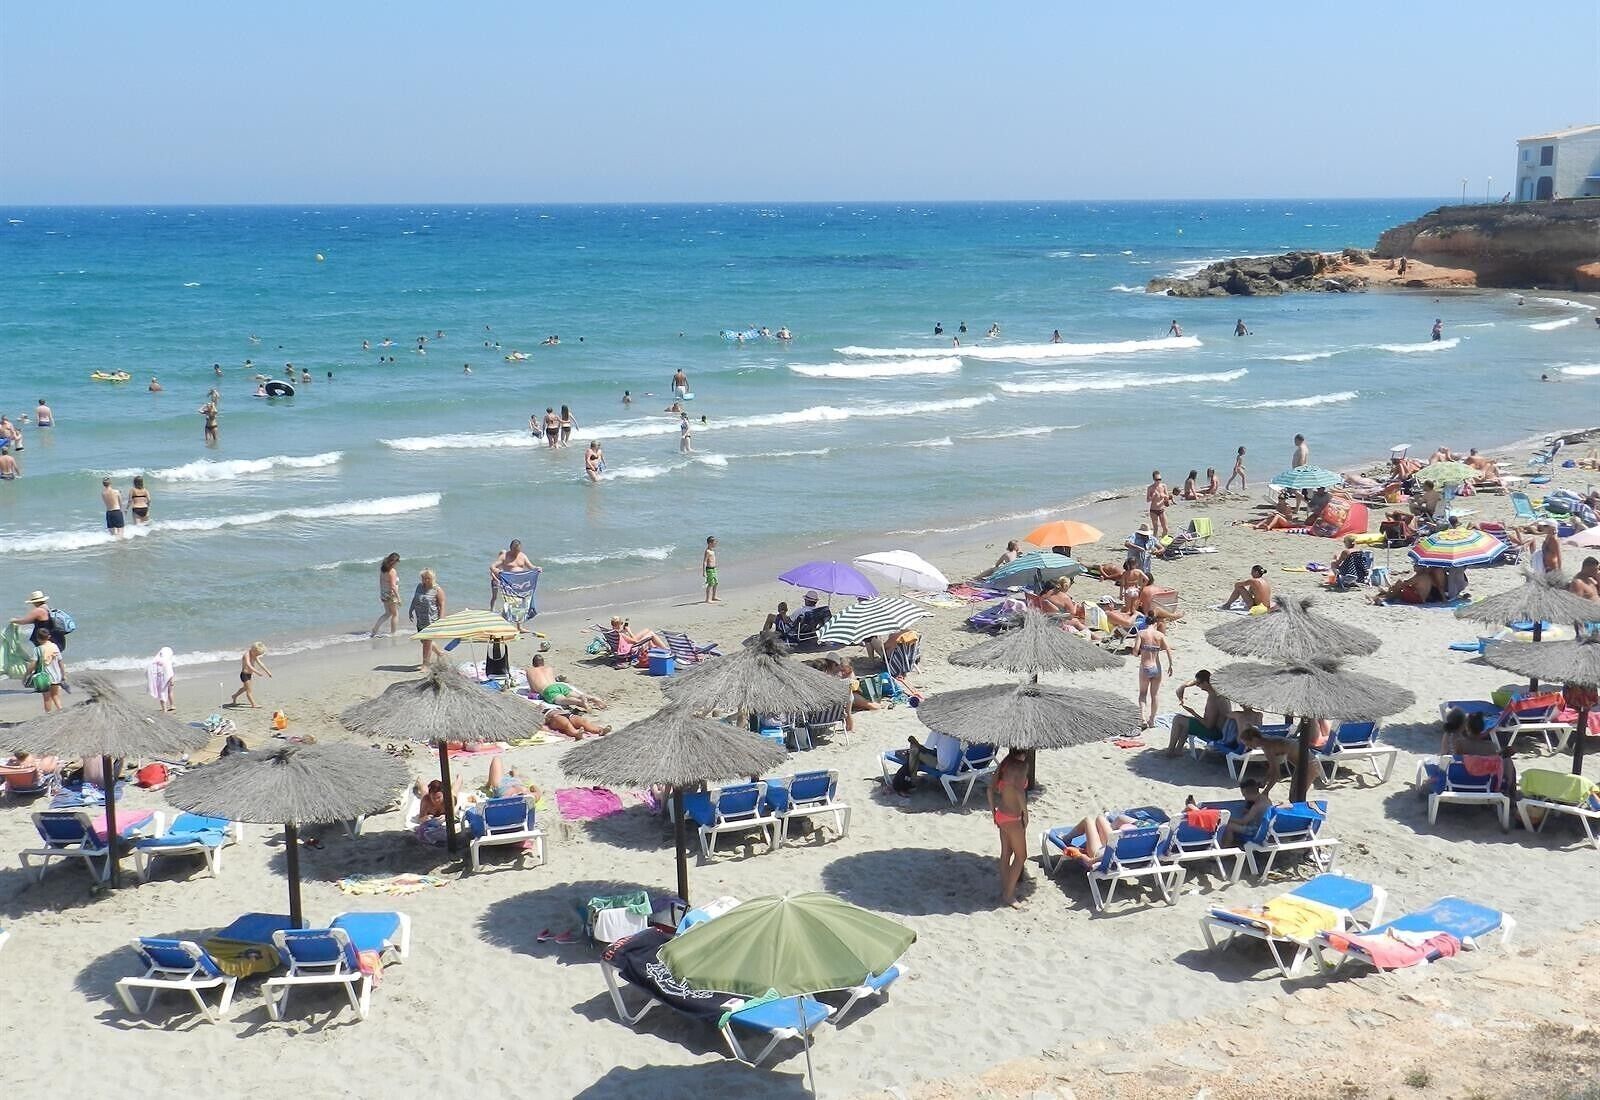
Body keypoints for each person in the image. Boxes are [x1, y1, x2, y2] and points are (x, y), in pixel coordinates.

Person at [988, 749, 1030, 907]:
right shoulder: (1022, 767)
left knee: (1006, 853)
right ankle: (1008, 895)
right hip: (1013, 818)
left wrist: (993, 811)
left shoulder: (1004, 764)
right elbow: (1019, 792)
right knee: (1021, 856)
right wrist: (1025, 814)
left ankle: (1006, 887)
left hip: (1001, 814)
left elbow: (989, 789)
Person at [1166, 669, 1230, 756]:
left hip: (1215, 733)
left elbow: (1209, 725)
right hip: (1222, 730)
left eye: (1199, 684)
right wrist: (1184, 686)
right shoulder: (1218, 690)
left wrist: (1193, 712)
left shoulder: (1214, 699)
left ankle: (1170, 750)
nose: (1198, 686)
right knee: (1185, 721)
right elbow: (1196, 681)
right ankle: (1178, 750)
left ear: (1206, 683)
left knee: (1178, 719)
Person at [528, 653, 607, 710]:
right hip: (560, 685)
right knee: (578, 695)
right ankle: (594, 698)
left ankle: (579, 702)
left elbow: (533, 690)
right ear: (543, 663)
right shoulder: (549, 668)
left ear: (533, 664)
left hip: (549, 690)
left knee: (562, 700)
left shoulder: (529, 671)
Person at [1135, 620, 1173, 729]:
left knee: (1143, 693)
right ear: (1155, 624)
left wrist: (1139, 651)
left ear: (1145, 623)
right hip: (1156, 668)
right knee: (1155, 695)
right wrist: (1171, 664)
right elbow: (1168, 649)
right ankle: (1151, 720)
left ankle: (1142, 718)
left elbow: (1135, 651)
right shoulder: (1160, 635)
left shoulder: (1141, 633)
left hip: (1145, 667)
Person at [410, 569, 445, 664]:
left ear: (432, 578)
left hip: (431, 619)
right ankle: (440, 653)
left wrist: (441, 619)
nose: (425, 580)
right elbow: (415, 599)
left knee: (426, 642)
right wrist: (411, 610)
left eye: (427, 578)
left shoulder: (437, 589)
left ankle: (425, 664)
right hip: (420, 618)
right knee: (423, 640)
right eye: (423, 578)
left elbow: (442, 604)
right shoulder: (419, 586)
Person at [489, 540, 534, 611]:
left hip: (519, 581)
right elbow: (492, 567)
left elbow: (531, 566)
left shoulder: (523, 556)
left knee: (523, 595)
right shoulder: (504, 557)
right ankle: (493, 609)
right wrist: (496, 572)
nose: (516, 552)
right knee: (497, 597)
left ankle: (523, 609)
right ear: (510, 548)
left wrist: (536, 569)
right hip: (506, 581)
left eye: (518, 550)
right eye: (515, 550)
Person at [228, 643, 272, 708]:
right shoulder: (247, 655)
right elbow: (249, 665)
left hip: (249, 675)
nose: (257, 656)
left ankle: (234, 696)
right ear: (253, 650)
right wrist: (257, 672)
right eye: (257, 654)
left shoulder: (254, 655)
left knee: (245, 688)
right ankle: (253, 704)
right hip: (244, 675)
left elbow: (261, 664)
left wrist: (268, 672)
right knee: (249, 690)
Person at [370, 552, 401, 637]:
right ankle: (393, 632)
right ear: (394, 562)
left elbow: (381, 582)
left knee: (387, 613)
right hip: (391, 595)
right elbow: (393, 586)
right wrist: (398, 598)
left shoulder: (383, 569)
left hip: (384, 594)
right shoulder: (392, 571)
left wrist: (382, 594)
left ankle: (375, 630)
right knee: (395, 614)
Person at [32, 633, 64, 712]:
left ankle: (48, 716)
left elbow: (33, 663)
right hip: (56, 676)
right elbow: (60, 662)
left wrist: (27, 673)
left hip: (44, 678)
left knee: (47, 698)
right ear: (49, 637)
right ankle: (61, 711)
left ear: (38, 639)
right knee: (55, 696)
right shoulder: (55, 647)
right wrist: (63, 674)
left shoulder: (37, 649)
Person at [147, 646, 176, 713]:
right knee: (170, 692)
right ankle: (172, 705)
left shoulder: (157, 661)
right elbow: (170, 671)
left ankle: (164, 708)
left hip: (161, 680)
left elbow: (152, 670)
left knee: (162, 693)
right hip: (169, 678)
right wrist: (171, 679)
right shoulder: (167, 661)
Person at [1146, 471, 1170, 537]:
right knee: (1156, 529)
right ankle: (1155, 544)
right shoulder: (1150, 488)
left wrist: (1164, 496)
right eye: (1157, 479)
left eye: (1160, 479)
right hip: (1153, 510)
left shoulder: (1164, 486)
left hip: (1162, 510)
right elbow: (1147, 500)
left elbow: (1167, 497)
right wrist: (1152, 497)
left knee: (1165, 528)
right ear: (1154, 479)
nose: (1158, 481)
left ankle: (1163, 543)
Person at [703, 535, 719, 602]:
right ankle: (707, 599)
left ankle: (714, 596)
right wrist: (704, 571)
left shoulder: (712, 551)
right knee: (710, 583)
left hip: (714, 568)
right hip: (709, 569)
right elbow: (705, 561)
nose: (715, 544)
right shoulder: (707, 551)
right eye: (714, 543)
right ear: (710, 543)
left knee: (716, 583)